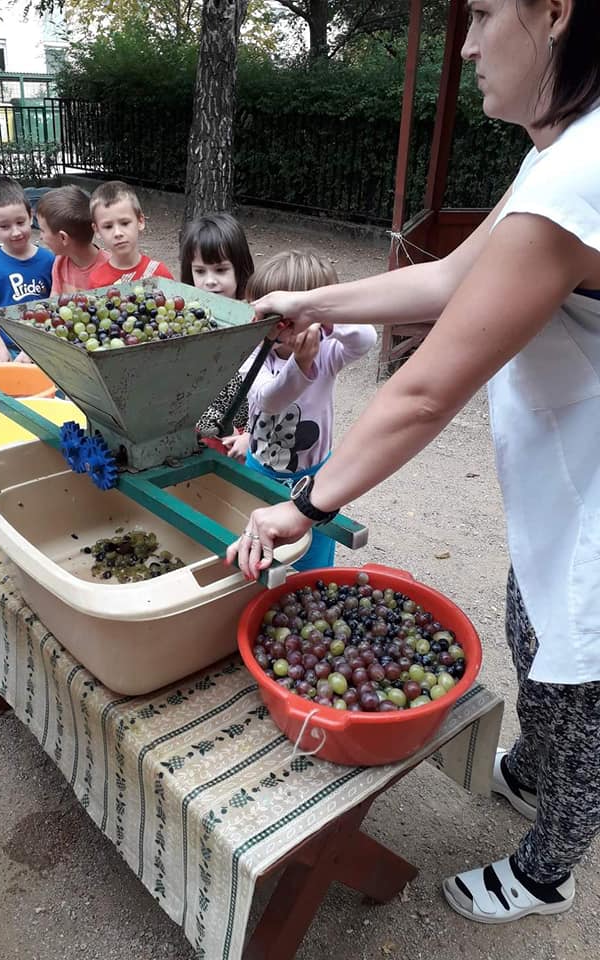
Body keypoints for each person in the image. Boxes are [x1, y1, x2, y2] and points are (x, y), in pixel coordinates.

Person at [228, 0, 600, 927]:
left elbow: (426, 391)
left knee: (581, 682)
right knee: (535, 630)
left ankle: (548, 870)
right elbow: (446, 278)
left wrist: (304, 507)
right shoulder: (558, 153)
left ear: (556, 12)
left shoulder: (583, 171)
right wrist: (314, 303)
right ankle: (537, 771)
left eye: (484, 14)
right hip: (569, 480)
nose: (466, 46)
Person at [234, 250, 376, 569]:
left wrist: (323, 318)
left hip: (315, 480)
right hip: (260, 470)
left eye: (277, 319)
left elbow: (366, 338)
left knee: (313, 557)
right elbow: (269, 400)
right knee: (260, 550)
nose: (267, 328)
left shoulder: (328, 352)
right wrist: (299, 365)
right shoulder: (254, 352)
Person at [179, 212, 255, 445]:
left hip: (247, 437)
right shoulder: (185, 320)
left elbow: (269, 383)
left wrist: (249, 434)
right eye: (200, 271)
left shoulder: (254, 319)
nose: (209, 280)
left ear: (239, 269)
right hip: (202, 431)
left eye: (220, 270)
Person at [0, 176, 54, 362]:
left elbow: (55, 305)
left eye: (20, 222)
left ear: (31, 216)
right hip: (9, 350)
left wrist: (36, 346)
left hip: (44, 346)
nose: (15, 232)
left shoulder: (49, 260)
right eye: (5, 226)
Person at [87, 181, 173, 287]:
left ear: (140, 221)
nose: (117, 233)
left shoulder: (159, 274)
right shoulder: (97, 281)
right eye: (108, 226)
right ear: (97, 230)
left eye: (125, 223)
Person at [35, 185, 110, 294]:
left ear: (63, 237)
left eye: (42, 230)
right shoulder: (59, 263)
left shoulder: (112, 267)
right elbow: (54, 300)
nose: (40, 237)